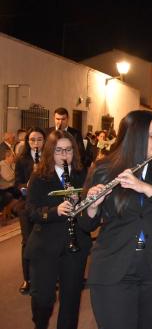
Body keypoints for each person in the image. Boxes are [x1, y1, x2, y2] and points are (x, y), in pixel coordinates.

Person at [78, 110, 152, 329]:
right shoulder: (103, 170)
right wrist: (93, 206)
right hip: (114, 268)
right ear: (134, 138)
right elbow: (86, 224)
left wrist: (146, 188)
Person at [25, 130, 91, 329]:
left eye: (69, 150)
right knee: (43, 299)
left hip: (74, 246)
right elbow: (31, 211)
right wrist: (56, 210)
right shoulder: (39, 177)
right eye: (59, 150)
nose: (64, 155)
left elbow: (90, 214)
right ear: (50, 152)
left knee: (71, 301)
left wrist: (84, 202)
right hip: (45, 246)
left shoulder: (82, 175)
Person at [14, 127, 46, 294]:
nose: (36, 143)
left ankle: (44, 277)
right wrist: (24, 187)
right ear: (27, 141)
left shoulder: (49, 159)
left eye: (39, 139)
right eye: (32, 140)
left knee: (44, 240)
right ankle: (27, 279)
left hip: (44, 205)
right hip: (26, 205)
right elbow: (16, 182)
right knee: (27, 241)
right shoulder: (22, 159)